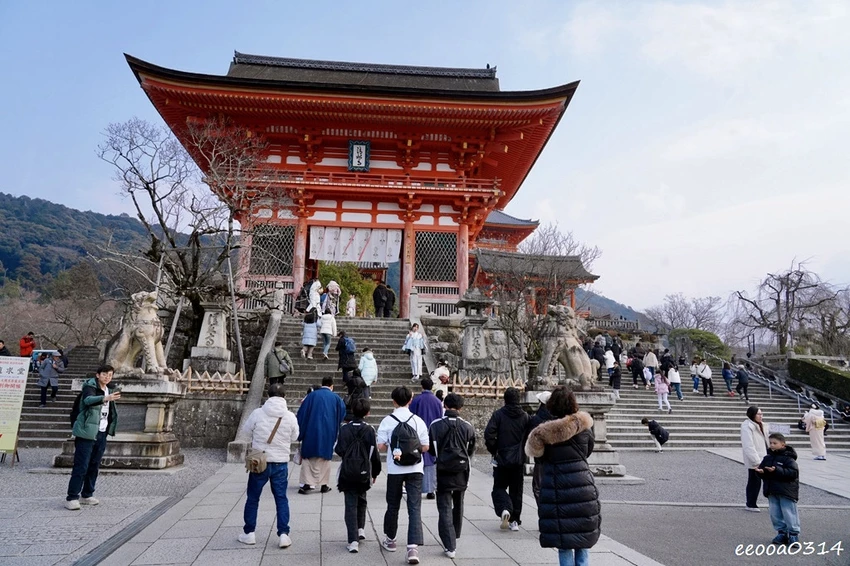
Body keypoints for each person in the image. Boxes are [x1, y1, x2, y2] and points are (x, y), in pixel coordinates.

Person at [525, 386, 600, 566]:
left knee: (563, 540)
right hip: (582, 483)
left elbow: (537, 456)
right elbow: (587, 452)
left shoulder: (542, 433)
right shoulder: (585, 428)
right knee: (583, 540)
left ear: (551, 405)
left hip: (556, 483)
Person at [237, 382, 300, 548]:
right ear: (284, 397)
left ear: (268, 395)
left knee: (253, 497)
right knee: (281, 498)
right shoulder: (290, 416)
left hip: (260, 461)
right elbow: (295, 437)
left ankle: (249, 532)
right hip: (280, 462)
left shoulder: (258, 413)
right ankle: (284, 534)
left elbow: (246, 431)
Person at [376, 386, 430, 564]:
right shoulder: (418, 420)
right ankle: (412, 548)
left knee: (393, 505)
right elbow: (425, 447)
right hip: (415, 469)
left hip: (395, 469)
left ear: (393, 401)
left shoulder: (387, 421)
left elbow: (381, 446)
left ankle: (391, 540)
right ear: (410, 400)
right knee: (414, 507)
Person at [428, 393, 476, 560]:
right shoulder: (468, 426)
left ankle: (449, 543)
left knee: (444, 505)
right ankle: (454, 533)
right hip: (462, 470)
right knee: (459, 503)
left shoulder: (435, 425)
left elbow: (432, 449)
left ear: (445, 405)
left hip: (443, 469)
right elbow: (470, 449)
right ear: (461, 408)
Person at [65, 365, 120, 510]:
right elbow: (88, 400)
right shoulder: (89, 387)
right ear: (97, 375)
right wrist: (105, 398)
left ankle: (87, 494)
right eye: (104, 374)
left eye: (110, 375)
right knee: (81, 465)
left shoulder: (111, 389)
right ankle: (72, 497)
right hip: (87, 432)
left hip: (101, 432)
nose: (107, 377)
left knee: (94, 464)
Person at [335, 397, 382, 553]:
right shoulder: (369, 430)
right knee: (362, 498)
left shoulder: (344, 429)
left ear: (352, 410)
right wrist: (375, 472)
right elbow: (373, 453)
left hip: (348, 471)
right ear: (367, 413)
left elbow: (339, 449)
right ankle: (360, 528)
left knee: (350, 504)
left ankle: (352, 540)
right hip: (363, 471)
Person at [484, 387, 529, 532]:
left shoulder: (498, 415)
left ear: (505, 399)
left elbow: (489, 434)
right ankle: (515, 519)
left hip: (502, 456)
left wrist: (494, 449)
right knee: (517, 489)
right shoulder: (525, 417)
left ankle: (504, 508)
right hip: (518, 458)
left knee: (499, 487)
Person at [296, 376, 346, 494]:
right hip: (328, 431)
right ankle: (324, 484)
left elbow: (301, 414)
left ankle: (308, 483)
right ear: (331, 386)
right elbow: (342, 414)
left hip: (311, 431)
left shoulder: (311, 396)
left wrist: (300, 433)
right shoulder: (336, 398)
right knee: (325, 458)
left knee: (308, 458)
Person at [755, 433, 800, 545]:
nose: (772, 445)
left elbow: (793, 473)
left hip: (786, 490)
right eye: (770, 443)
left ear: (783, 444)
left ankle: (793, 534)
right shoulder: (767, 458)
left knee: (789, 512)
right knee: (775, 513)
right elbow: (763, 471)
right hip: (772, 490)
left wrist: (777, 470)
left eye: (775, 443)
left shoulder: (789, 459)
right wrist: (761, 472)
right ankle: (781, 533)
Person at [409, 377, 444, 499]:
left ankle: (417, 487)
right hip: (433, 433)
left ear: (422, 386)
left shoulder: (416, 400)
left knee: (417, 459)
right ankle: (431, 489)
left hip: (418, 433)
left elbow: (411, 416)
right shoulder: (437, 401)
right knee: (431, 460)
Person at [525, 390, 555, 502]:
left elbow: (530, 436)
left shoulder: (536, 419)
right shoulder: (556, 417)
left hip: (540, 457)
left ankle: (542, 507)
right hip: (555, 456)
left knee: (538, 487)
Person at [741, 406, 770, 512]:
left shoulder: (762, 425)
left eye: (761, 414)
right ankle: (751, 503)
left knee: (768, 480)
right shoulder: (747, 426)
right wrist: (756, 461)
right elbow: (748, 445)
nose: (761, 416)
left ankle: (773, 502)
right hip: (756, 457)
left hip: (765, 455)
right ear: (752, 415)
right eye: (758, 414)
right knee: (754, 481)